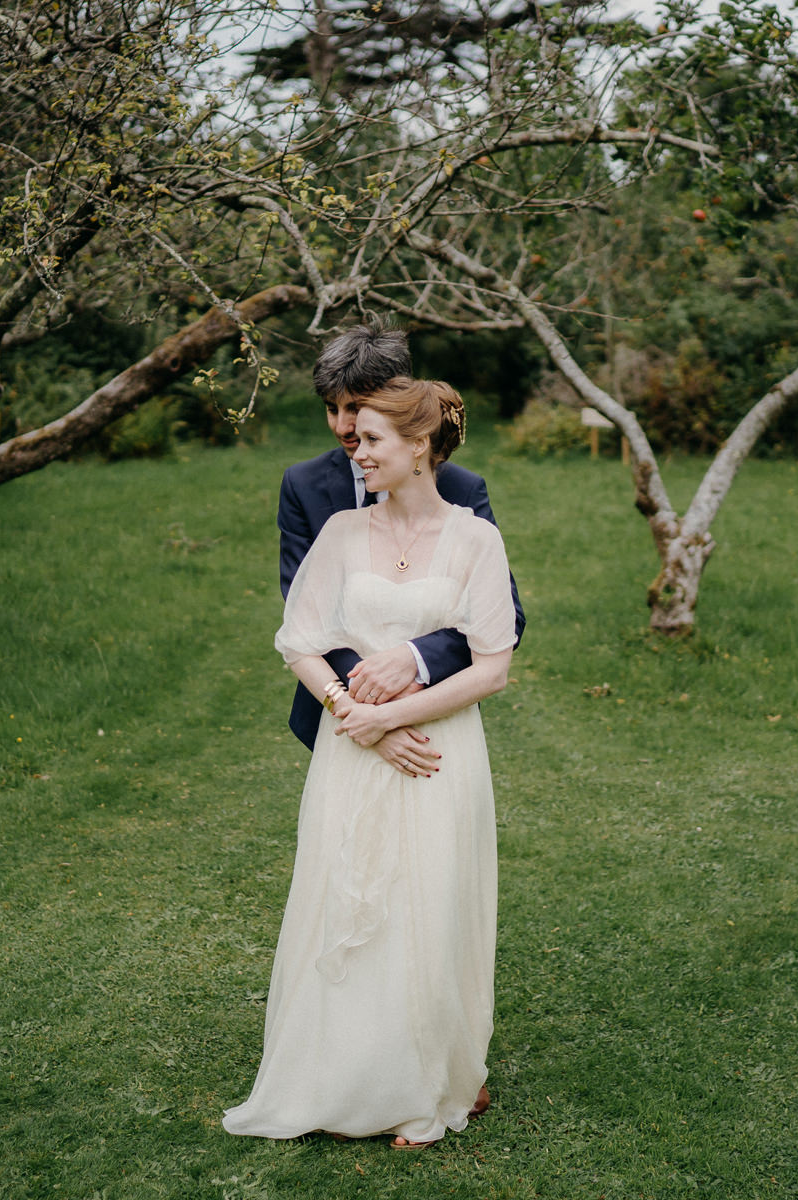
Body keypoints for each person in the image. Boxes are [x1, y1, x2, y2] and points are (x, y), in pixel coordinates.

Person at [223, 378, 515, 1147]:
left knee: (430, 905)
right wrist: (354, 716)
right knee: (346, 901)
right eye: (352, 436)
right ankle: (331, 1076)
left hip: (439, 752)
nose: (355, 447)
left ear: (420, 446)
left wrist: (391, 715)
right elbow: (299, 639)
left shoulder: (475, 537)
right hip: (351, 754)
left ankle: (428, 1085)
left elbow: (491, 667)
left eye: (373, 438)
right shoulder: (344, 532)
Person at [276, 325, 525, 778]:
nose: (343, 427)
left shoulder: (461, 490)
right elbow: (302, 612)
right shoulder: (303, 486)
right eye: (332, 408)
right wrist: (364, 711)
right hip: (340, 716)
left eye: (356, 408)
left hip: (430, 718)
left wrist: (413, 662)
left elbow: (505, 617)